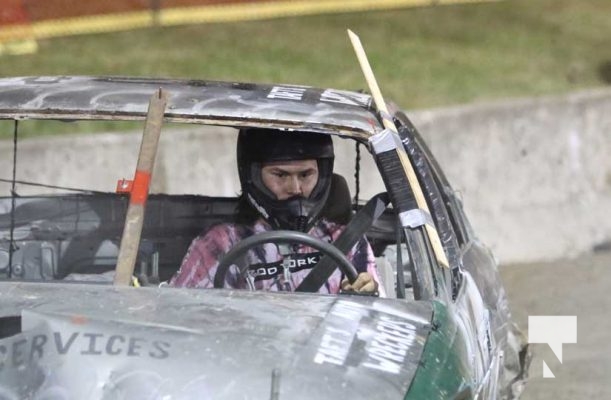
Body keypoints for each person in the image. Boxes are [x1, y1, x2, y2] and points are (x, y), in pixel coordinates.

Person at [169, 128, 384, 295]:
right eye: (280, 175)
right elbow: (186, 316)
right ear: (254, 177)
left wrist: (367, 292)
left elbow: (377, 327)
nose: (295, 188)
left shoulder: (348, 241)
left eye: (306, 175)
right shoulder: (221, 243)